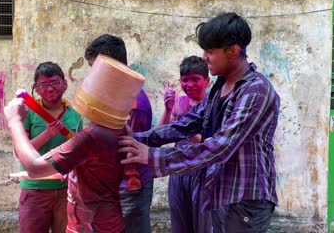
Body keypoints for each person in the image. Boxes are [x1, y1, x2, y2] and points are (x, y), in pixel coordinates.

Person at [119, 12, 280, 233]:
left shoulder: (256, 90)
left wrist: (154, 157)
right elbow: (185, 125)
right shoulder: (220, 87)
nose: (204, 57)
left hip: (245, 199)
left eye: (210, 51)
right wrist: (136, 138)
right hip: (218, 190)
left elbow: (222, 145)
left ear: (233, 51)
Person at [4, 54, 145, 232]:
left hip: (90, 224)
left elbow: (34, 167)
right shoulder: (121, 130)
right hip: (109, 220)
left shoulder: (91, 136)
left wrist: (14, 121)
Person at [84, 34, 154, 233]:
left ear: (111, 66)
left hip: (129, 188)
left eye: (94, 68)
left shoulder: (133, 105)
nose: (92, 76)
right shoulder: (113, 96)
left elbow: (123, 154)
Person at [18, 62, 82, 233]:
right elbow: (21, 152)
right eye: (43, 85)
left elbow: (82, 153)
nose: (50, 88)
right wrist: (47, 134)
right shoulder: (28, 112)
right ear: (36, 89)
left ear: (65, 84)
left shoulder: (76, 116)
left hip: (66, 190)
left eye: (54, 82)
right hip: (35, 189)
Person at [158, 56, 211, 233]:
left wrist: (185, 128)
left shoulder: (212, 105)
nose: (189, 85)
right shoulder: (179, 103)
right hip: (179, 172)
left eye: (195, 79)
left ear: (207, 81)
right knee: (179, 226)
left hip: (202, 174)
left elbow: (212, 143)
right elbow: (160, 134)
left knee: (202, 226)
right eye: (185, 80)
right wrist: (167, 109)